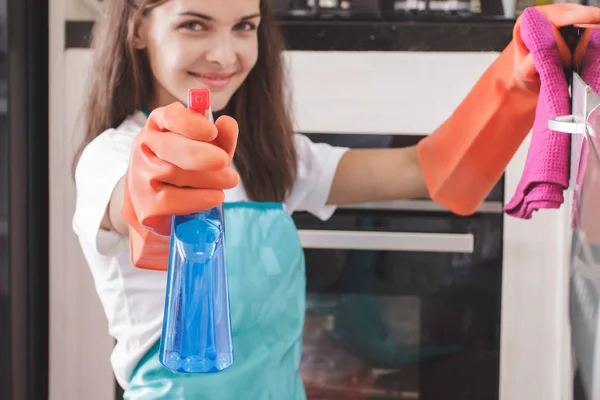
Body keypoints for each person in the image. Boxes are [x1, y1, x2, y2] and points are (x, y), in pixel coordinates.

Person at [71, 0, 600, 398]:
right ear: (138, 28)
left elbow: (427, 170)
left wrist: (517, 74)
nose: (225, 54)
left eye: (245, 27)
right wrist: (157, 180)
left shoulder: (269, 158)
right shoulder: (111, 158)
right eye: (194, 24)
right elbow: (131, 201)